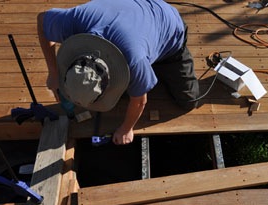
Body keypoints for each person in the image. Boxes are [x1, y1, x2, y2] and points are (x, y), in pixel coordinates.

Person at [37, 0, 200, 145]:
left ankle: (160, 63)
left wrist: (126, 129)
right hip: (135, 19)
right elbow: (42, 20)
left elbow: (139, 101)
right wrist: (54, 73)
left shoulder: (134, 60)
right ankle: (149, 65)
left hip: (169, 29)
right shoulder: (76, 21)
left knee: (188, 101)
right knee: (129, 88)